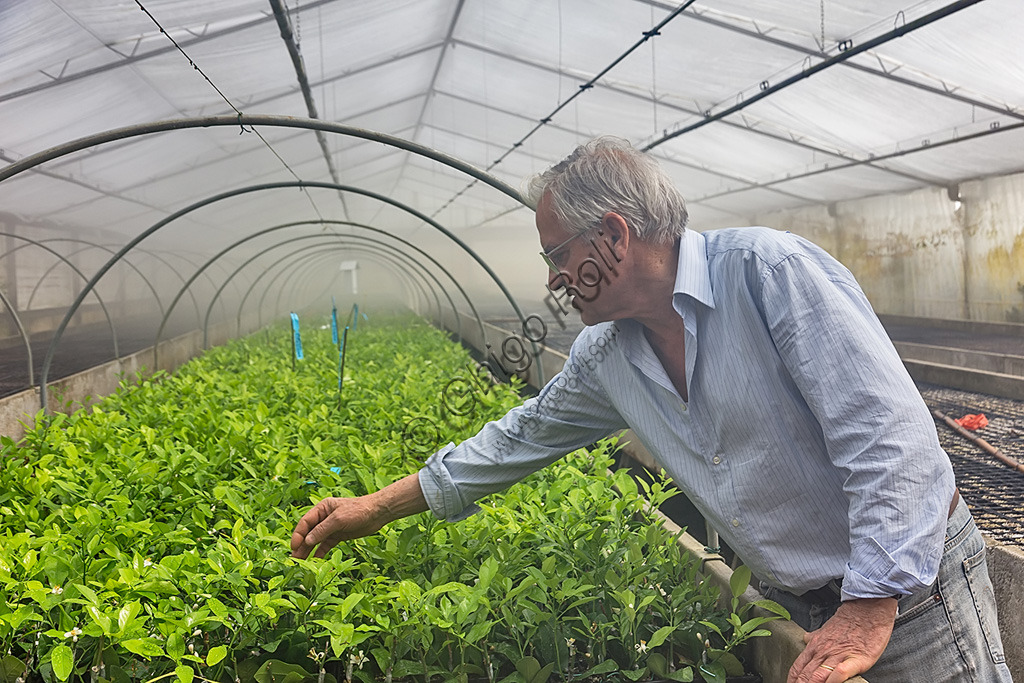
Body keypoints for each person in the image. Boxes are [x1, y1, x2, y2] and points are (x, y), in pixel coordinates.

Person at [291, 137, 1011, 683]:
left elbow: (891, 440)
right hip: (804, 605)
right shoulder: (606, 356)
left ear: (613, 235)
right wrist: (375, 507)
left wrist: (870, 601)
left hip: (913, 592)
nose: (552, 279)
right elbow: (520, 437)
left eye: (557, 254)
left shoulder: (770, 274)